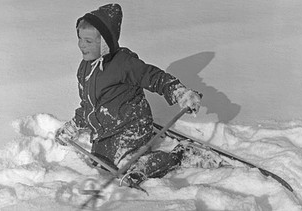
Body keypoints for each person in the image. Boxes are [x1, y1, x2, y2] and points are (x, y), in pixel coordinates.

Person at [56, 3, 215, 188]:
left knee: (125, 167)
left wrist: (179, 92)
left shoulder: (124, 64)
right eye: (80, 39)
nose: (81, 45)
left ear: (105, 44)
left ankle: (179, 155)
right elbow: (88, 104)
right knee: (101, 163)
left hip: (131, 125)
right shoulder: (85, 69)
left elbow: (154, 77)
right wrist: (74, 125)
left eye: (88, 41)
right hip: (107, 131)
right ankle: (126, 161)